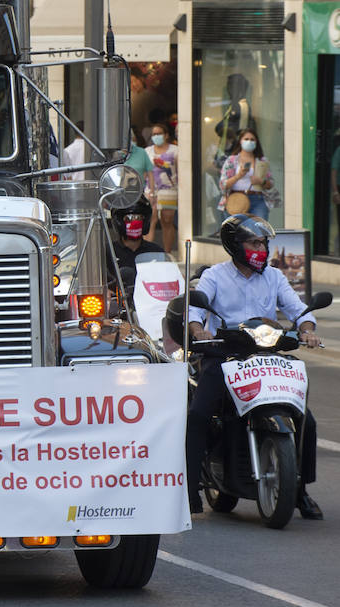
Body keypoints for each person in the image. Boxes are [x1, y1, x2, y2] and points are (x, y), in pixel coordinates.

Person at [185, 215, 323, 519]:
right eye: (254, 242)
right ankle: (191, 488)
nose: (262, 248)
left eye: (264, 243)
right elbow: (195, 310)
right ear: (236, 245)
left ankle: (300, 493)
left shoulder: (274, 277)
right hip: (224, 355)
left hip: (265, 357)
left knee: (306, 420)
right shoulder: (215, 277)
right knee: (198, 415)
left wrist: (308, 329)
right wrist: (199, 332)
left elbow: (299, 311)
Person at [105, 197, 164, 294]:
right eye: (129, 218)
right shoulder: (108, 251)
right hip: (117, 304)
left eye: (138, 218)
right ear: (119, 222)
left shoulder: (156, 251)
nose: (134, 222)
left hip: (150, 302)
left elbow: (168, 277)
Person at [217, 129, 278, 220]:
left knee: (259, 230)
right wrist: (238, 176)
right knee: (235, 231)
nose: (249, 141)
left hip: (258, 200)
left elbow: (270, 184)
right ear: (240, 141)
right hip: (235, 200)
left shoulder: (262, 161)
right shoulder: (231, 160)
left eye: (252, 139)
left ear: (256, 142)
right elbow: (223, 184)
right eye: (246, 139)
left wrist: (261, 181)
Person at [146, 123, 178, 254]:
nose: (156, 136)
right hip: (150, 189)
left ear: (166, 135)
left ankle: (167, 252)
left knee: (167, 221)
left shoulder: (175, 150)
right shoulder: (147, 151)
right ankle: (146, 253)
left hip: (170, 190)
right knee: (150, 220)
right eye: (154, 134)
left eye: (159, 133)